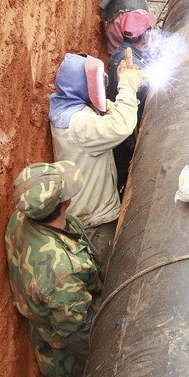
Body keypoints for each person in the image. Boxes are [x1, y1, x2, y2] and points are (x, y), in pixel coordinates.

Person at [4, 161, 101, 377]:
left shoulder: (19, 219)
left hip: (49, 319)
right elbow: (77, 334)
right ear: (65, 203)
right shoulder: (62, 274)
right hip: (67, 353)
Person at [49, 50, 144, 267]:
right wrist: (127, 87)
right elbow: (121, 127)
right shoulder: (79, 125)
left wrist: (107, 107)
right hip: (95, 221)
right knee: (106, 273)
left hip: (81, 211)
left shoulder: (64, 107)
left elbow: (89, 118)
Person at [106, 11, 156, 193]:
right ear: (144, 35)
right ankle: (121, 191)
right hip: (126, 127)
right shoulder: (128, 63)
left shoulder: (124, 51)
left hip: (124, 119)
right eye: (149, 30)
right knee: (123, 165)